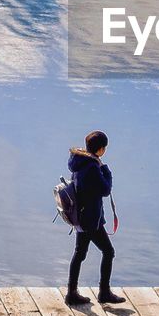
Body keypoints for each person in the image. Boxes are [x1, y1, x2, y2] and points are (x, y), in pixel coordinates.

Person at [65, 130, 124, 306]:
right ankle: (104, 292)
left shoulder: (79, 162)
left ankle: (72, 293)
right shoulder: (91, 167)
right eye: (104, 148)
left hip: (82, 216)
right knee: (108, 252)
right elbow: (105, 190)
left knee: (80, 254)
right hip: (91, 219)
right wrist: (105, 169)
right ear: (101, 149)